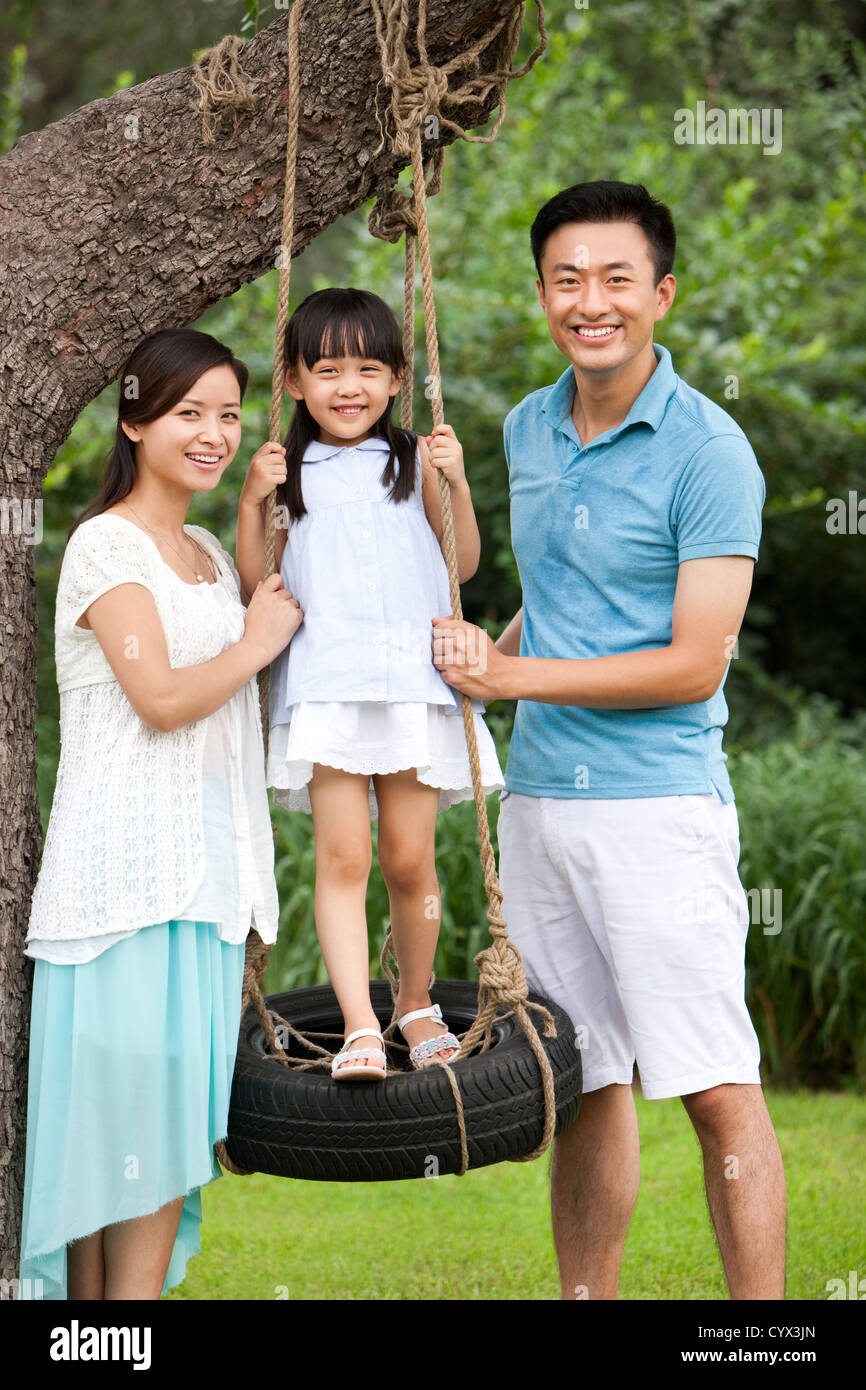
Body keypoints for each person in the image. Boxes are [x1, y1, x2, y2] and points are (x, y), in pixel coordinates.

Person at [431, 181, 786, 1299]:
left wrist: (515, 674)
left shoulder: (708, 450)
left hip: (655, 811)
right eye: (566, 280)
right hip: (535, 805)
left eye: (615, 280)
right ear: (542, 294)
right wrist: (489, 657)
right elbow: (557, 594)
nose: (590, 303)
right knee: (580, 1078)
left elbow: (693, 660)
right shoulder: (527, 425)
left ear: (660, 294)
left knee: (716, 1085)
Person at [18, 328, 300, 1300]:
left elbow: (260, 595)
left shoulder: (214, 553)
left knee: (167, 1140)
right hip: (119, 899)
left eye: (229, 413)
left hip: (206, 892)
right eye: (189, 413)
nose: (214, 432)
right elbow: (163, 698)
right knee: (122, 1138)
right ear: (135, 422)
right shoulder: (105, 544)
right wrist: (260, 641)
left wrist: (262, 506)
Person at [236, 287, 504, 1079]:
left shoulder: (413, 458)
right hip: (326, 692)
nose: (347, 386)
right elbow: (262, 587)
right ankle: (360, 1024)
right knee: (342, 858)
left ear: (395, 379)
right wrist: (253, 504)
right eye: (328, 369)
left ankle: (414, 1003)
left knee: (408, 859)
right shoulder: (286, 472)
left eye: (367, 368)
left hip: (413, 688)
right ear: (294, 381)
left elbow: (461, 566)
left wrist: (455, 484)